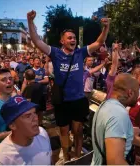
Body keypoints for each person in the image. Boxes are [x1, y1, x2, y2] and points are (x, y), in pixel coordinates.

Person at [28, 10, 110, 161]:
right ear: (62, 41)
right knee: (64, 131)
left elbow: (98, 43)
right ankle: (66, 158)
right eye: (69, 38)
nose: (73, 40)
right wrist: (30, 21)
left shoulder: (81, 53)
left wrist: (105, 28)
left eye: (74, 38)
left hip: (78, 100)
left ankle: (77, 158)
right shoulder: (56, 53)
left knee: (78, 131)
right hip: (62, 102)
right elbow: (37, 41)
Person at [0, 96, 52, 165]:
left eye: (34, 113)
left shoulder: (42, 133)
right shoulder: (0, 160)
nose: (35, 118)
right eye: (28, 116)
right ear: (12, 125)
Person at [91, 74, 139, 165]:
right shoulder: (118, 114)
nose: (138, 96)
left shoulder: (106, 104)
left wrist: (128, 156)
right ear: (130, 93)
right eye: (137, 92)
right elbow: (115, 163)